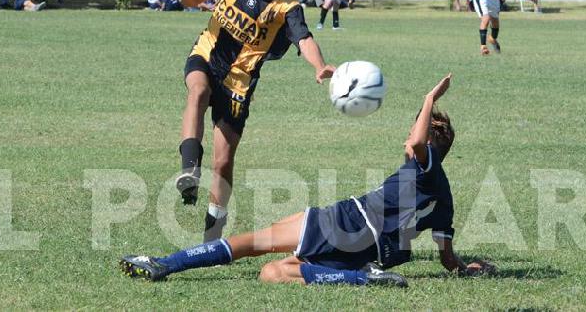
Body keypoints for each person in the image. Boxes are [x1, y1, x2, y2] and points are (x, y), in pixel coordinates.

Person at [120, 73, 497, 287]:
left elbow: (416, 140)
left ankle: (163, 264)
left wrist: (429, 97)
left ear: (429, 144)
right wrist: (465, 268)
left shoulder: (424, 164)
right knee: (273, 274)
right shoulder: (443, 197)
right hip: (368, 251)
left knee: (249, 243)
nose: (406, 138)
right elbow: (447, 258)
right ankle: (359, 275)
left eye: (414, 129)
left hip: (346, 222)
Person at [160, 0, 336, 241]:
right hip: (207, 52)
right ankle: (189, 169)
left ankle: (212, 239)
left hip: (239, 81)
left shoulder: (287, 6)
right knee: (197, 91)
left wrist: (320, 66)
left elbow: (304, 39)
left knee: (224, 162)